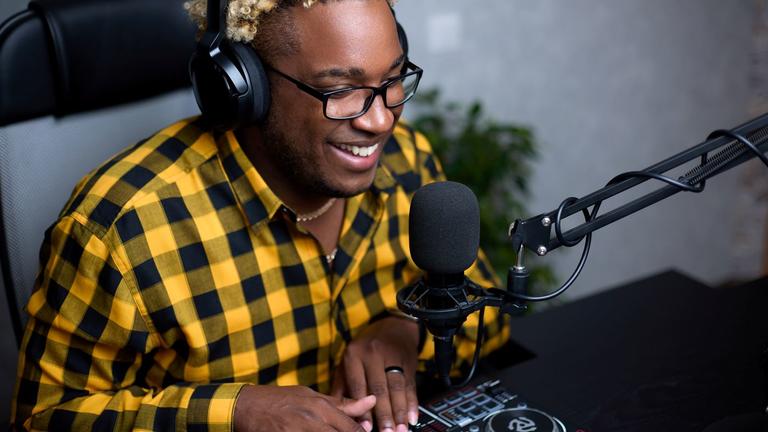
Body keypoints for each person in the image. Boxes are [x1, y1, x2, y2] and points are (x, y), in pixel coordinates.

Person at [11, 0, 509, 430]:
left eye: (392, 78)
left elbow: (489, 312)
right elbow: (45, 418)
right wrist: (235, 413)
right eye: (340, 90)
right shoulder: (120, 231)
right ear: (242, 85)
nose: (380, 119)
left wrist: (409, 330)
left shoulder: (408, 161)